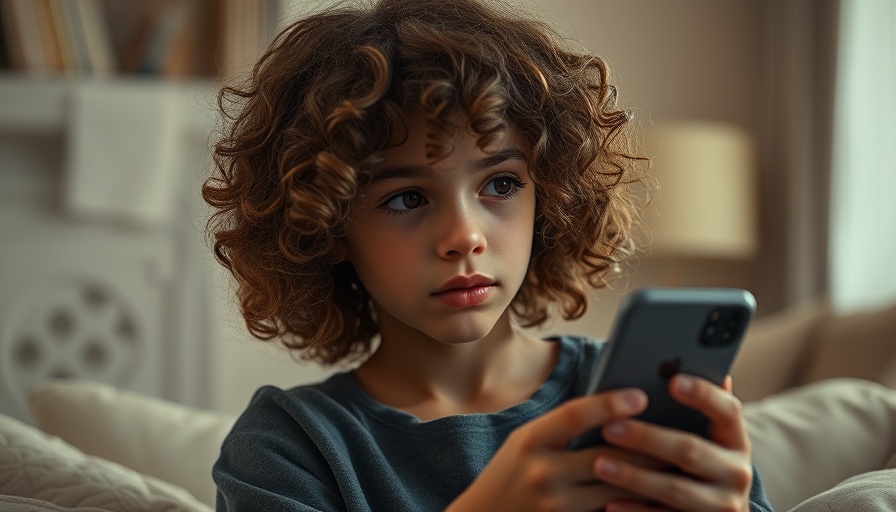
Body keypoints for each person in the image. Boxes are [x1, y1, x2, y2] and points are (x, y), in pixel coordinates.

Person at [205, 0, 773, 510]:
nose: (465, 236)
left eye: (500, 184)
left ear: (548, 193)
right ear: (324, 224)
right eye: (406, 198)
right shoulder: (288, 446)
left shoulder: (634, 402)